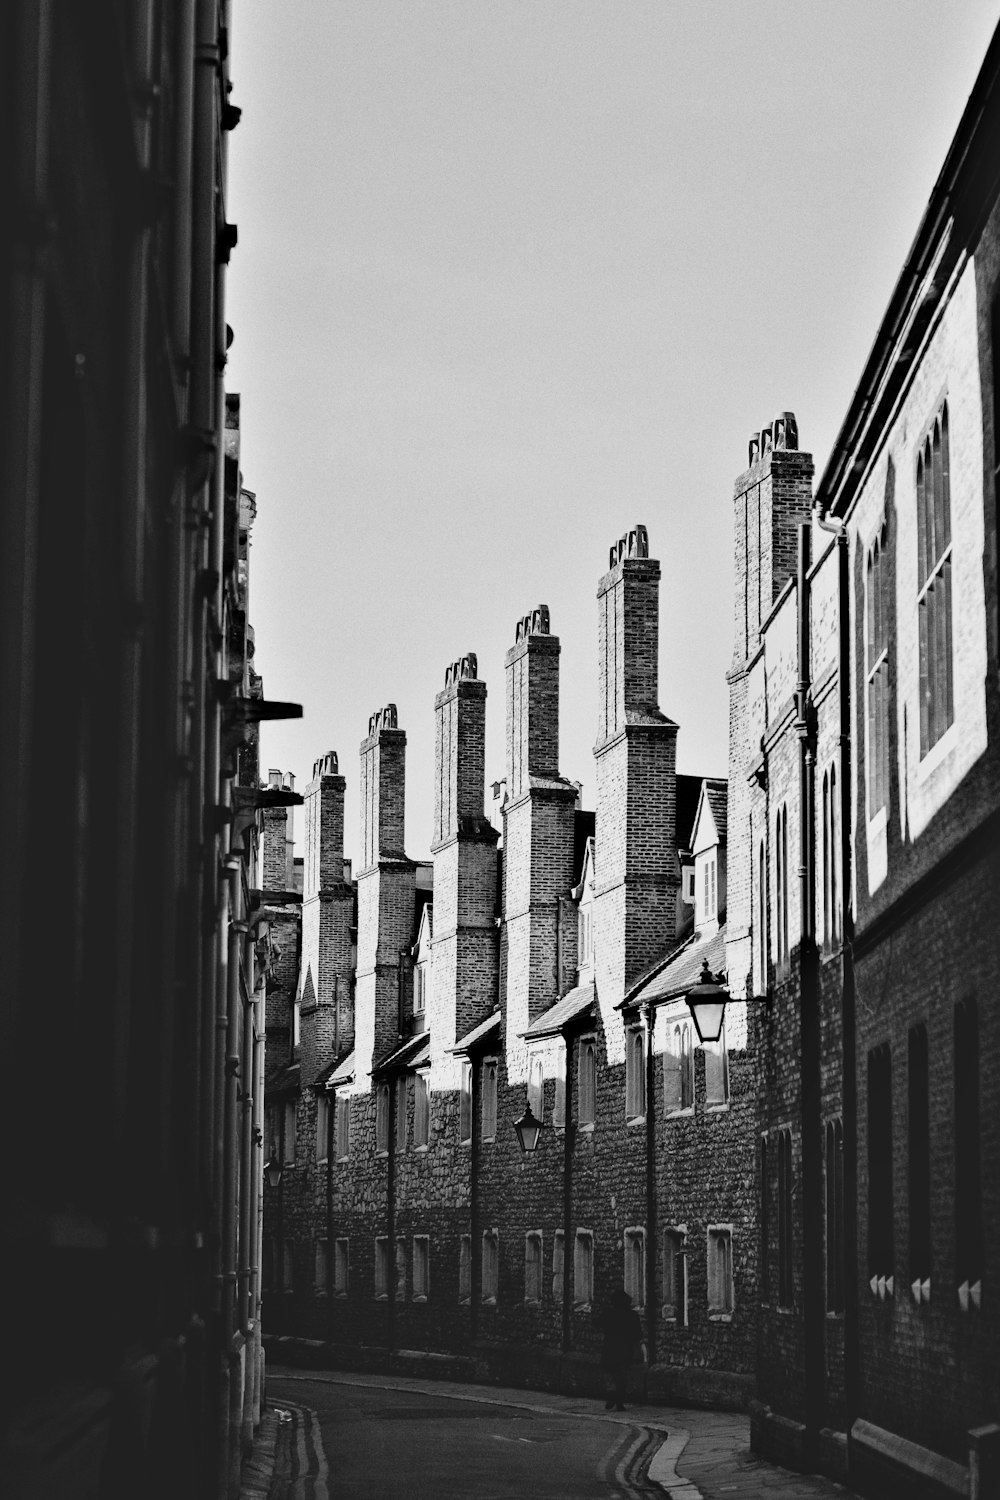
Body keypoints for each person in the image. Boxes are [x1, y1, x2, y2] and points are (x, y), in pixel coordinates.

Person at [599, 1287, 646, 1411]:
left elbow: (596, 1323)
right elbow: (638, 1334)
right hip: (625, 1348)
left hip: (610, 1348)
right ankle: (619, 1402)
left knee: (609, 1371)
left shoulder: (609, 1313)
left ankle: (611, 1392)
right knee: (622, 1375)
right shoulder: (632, 1315)